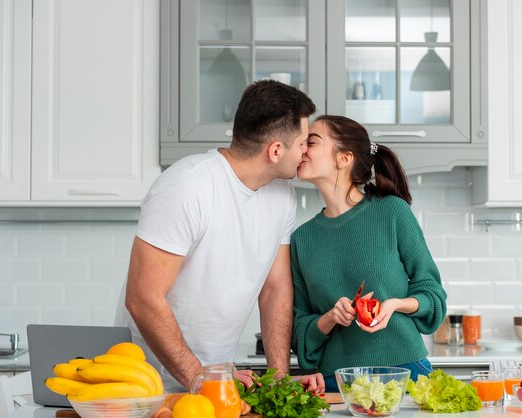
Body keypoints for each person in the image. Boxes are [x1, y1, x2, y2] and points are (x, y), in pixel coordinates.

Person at [115, 80, 324, 393]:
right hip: (147, 383)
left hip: (216, 382)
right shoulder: (188, 185)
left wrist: (278, 377)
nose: (307, 152)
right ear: (276, 150)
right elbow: (143, 299)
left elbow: (275, 289)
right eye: (303, 143)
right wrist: (200, 378)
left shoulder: (283, 196)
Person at [291, 115, 447, 392]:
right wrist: (329, 318)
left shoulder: (392, 212)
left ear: (344, 158)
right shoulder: (301, 239)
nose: (300, 148)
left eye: (311, 142)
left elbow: (432, 296)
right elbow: (299, 328)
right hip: (336, 382)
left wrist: (394, 305)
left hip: (405, 372)